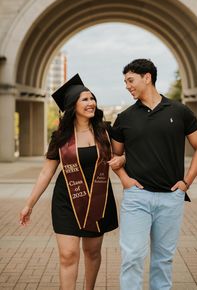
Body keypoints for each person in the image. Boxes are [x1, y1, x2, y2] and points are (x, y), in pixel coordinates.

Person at [110, 59, 197, 290]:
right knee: (132, 257)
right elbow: (115, 157)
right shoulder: (124, 118)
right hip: (137, 198)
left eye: (130, 80)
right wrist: (125, 180)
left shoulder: (180, 111)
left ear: (147, 77)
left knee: (163, 260)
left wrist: (186, 182)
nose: (127, 86)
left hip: (171, 198)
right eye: (125, 82)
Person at [20, 74, 123, 290]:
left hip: (98, 197)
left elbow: (123, 154)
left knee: (92, 252)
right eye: (84, 99)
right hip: (67, 199)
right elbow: (46, 173)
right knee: (68, 255)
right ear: (72, 105)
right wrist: (29, 204)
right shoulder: (61, 135)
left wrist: (123, 158)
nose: (91, 103)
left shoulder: (104, 130)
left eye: (92, 98)